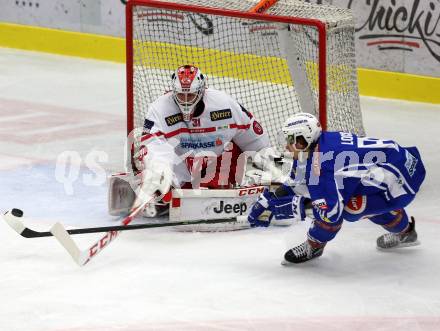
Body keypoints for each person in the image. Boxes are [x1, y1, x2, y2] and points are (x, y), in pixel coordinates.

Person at [247, 112, 426, 264]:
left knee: (350, 208)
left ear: (304, 139)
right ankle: (404, 229)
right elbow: (297, 180)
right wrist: (271, 199)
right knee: (345, 196)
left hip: (403, 180)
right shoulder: (320, 144)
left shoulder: (322, 166)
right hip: (396, 162)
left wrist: (291, 208)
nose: (286, 145)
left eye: (290, 139)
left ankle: (315, 246)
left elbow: (331, 215)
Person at [132, 64, 273, 210]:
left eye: (190, 95)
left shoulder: (224, 105)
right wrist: (159, 171)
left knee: (212, 190)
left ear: (201, 91)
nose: (186, 101)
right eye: (181, 95)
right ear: (173, 92)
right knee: (143, 152)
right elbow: (154, 145)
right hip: (183, 166)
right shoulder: (159, 108)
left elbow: (254, 138)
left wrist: (271, 168)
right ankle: (155, 190)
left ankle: (209, 191)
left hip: (217, 163)